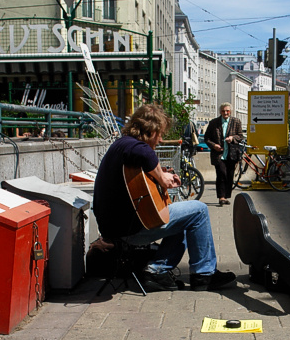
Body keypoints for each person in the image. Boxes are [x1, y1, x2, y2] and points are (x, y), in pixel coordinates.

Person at [92, 104, 236, 293]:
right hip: (129, 230)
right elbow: (143, 152)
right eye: (159, 134)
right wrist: (162, 178)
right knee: (199, 210)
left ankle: (156, 271)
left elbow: (136, 174)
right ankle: (204, 274)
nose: (160, 140)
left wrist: (160, 176)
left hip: (119, 227)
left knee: (186, 218)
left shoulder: (121, 145)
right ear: (150, 130)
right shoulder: (130, 145)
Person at [204, 102, 244, 206]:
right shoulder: (214, 123)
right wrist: (214, 146)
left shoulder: (236, 121)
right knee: (221, 174)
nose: (225, 113)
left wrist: (232, 138)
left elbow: (240, 136)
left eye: (227, 111)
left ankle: (226, 196)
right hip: (219, 154)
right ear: (220, 112)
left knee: (230, 175)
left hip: (232, 154)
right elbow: (206, 138)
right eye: (223, 111)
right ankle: (221, 197)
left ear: (230, 111)